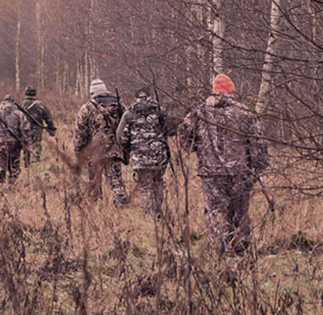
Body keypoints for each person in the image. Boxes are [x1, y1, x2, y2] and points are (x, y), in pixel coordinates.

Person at [178, 73, 269, 255]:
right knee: (240, 213)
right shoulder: (245, 113)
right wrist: (258, 166)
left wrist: (200, 149)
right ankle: (240, 251)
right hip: (241, 171)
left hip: (211, 173)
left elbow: (184, 138)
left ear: (214, 91)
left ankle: (218, 252)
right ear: (232, 91)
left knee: (215, 212)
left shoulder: (198, 112)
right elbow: (258, 144)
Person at [116, 88, 171, 217]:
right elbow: (168, 129)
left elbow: (120, 137)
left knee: (145, 187)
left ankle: (149, 215)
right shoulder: (160, 111)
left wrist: (129, 149)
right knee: (157, 183)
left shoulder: (129, 114)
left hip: (140, 158)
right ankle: (157, 212)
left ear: (136, 98)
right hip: (159, 157)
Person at [74, 79, 127, 204]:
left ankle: (96, 206)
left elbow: (80, 131)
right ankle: (120, 200)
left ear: (92, 92)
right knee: (115, 179)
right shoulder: (119, 105)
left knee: (94, 181)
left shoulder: (87, 107)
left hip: (94, 151)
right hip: (114, 149)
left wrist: (78, 151)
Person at [0, 94, 32, 184]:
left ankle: (0, 180)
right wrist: (27, 142)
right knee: (14, 165)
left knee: (0, 162)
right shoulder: (19, 113)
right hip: (15, 143)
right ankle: (12, 185)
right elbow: (25, 129)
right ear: (13, 103)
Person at [19, 85, 57, 168]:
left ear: (25, 93)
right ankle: (35, 174)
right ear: (35, 94)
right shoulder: (41, 105)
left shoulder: (20, 105)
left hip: (24, 134)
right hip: (36, 134)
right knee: (35, 155)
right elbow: (49, 119)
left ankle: (27, 171)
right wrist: (52, 129)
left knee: (26, 154)